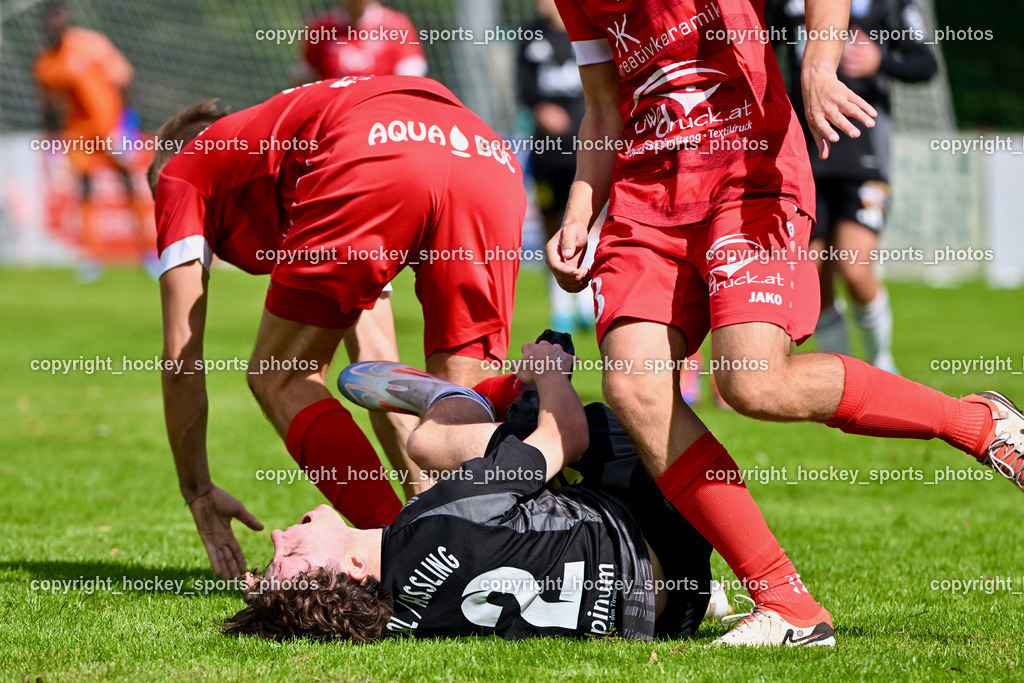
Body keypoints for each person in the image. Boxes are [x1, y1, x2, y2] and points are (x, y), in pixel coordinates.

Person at [545, 0, 1024, 646]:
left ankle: (977, 422)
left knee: (752, 381)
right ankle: (785, 601)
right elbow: (603, 107)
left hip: (749, 175)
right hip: (645, 201)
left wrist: (819, 66)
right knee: (634, 385)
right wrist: (579, 212)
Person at [149, 75, 526, 579]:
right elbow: (384, 378)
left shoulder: (181, 172)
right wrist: (422, 497)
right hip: (483, 151)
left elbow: (181, 360)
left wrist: (196, 490)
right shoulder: (299, 154)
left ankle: (405, 565)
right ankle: (493, 553)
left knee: (280, 374)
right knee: (460, 396)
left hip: (373, 154)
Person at [223, 340, 748, 643]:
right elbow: (569, 433)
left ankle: (454, 411)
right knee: (510, 428)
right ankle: (456, 399)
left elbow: (310, 611)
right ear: (354, 570)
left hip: (670, 613)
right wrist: (550, 373)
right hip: (668, 523)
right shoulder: (441, 519)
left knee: (499, 484)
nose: (276, 535)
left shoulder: (395, 622)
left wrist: (267, 597)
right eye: (290, 554)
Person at [293, 0, 430, 501]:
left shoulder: (397, 29)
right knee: (371, 366)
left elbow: (420, 101)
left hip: (372, 190)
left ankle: (426, 507)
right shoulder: (319, 31)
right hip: (333, 187)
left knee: (359, 369)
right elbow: (301, 99)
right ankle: (425, 507)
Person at [767, 0, 938, 373]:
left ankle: (881, 362)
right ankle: (842, 371)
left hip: (864, 155)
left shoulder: (889, 5)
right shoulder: (787, 4)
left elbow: (926, 64)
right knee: (812, 272)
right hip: (805, 155)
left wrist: (881, 61)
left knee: (855, 267)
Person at [34, 1, 157, 281]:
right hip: (78, 134)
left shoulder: (92, 45)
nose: (56, 27)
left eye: (60, 21)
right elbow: (49, 109)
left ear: (66, 22)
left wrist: (127, 127)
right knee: (85, 189)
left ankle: (148, 253)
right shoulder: (44, 65)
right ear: (45, 27)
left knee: (127, 183)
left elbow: (124, 82)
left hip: (111, 127)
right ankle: (91, 257)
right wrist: (52, 145)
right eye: (50, 23)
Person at [517, 0, 593, 333]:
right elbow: (523, 88)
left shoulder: (589, 32)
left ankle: (589, 299)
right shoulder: (531, 35)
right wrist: (540, 107)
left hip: (588, 149)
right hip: (547, 154)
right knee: (553, 225)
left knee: (590, 223)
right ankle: (560, 303)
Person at [295, 0, 427, 83]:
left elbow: (411, 80)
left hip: (378, 114)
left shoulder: (397, 26)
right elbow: (302, 78)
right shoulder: (321, 28)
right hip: (332, 114)